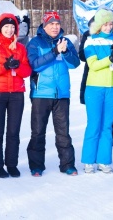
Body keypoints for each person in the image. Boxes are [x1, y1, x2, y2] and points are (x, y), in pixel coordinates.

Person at [26, 11, 80, 177]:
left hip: (62, 94)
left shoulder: (66, 42)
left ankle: (67, 164)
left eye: (57, 24)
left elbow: (75, 63)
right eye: (51, 24)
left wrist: (64, 52)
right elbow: (35, 65)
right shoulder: (35, 42)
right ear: (44, 25)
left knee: (63, 132)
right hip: (41, 94)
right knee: (38, 131)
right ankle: (36, 166)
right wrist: (55, 51)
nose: (55, 27)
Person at [0, 13, 32, 178]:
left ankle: (12, 164)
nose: (9, 30)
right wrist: (4, 66)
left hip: (16, 94)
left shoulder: (21, 48)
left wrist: (17, 67)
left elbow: (27, 71)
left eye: (12, 27)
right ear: (0, 28)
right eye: (6, 27)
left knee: (13, 131)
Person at [81, 8, 113, 174]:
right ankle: (88, 160)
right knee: (94, 124)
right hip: (94, 87)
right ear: (99, 25)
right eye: (105, 24)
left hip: (112, 87)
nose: (108, 27)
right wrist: (110, 58)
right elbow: (93, 65)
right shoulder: (90, 41)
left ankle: (104, 160)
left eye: (111, 24)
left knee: (107, 125)